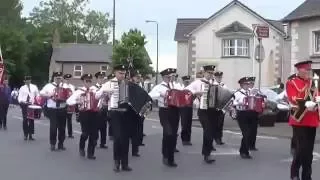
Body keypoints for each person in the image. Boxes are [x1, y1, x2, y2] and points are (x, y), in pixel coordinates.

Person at [286, 60, 319, 180]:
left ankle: (307, 176)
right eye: (306, 70)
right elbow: (293, 98)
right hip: (299, 119)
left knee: (309, 151)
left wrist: (317, 102)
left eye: (309, 70)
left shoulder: (313, 83)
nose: (308, 72)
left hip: (312, 119)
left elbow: (318, 96)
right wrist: (307, 103)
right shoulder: (292, 82)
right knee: (301, 149)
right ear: (299, 70)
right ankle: (294, 172)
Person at [96, 65, 133, 172]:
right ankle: (116, 162)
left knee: (126, 139)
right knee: (117, 138)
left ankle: (125, 163)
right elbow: (97, 96)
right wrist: (105, 92)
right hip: (114, 112)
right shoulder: (108, 84)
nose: (122, 75)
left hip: (126, 113)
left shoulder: (127, 84)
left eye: (124, 73)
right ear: (115, 73)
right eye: (120, 73)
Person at [185, 65, 217, 164]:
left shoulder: (215, 83)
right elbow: (186, 90)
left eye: (212, 73)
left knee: (211, 132)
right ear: (204, 73)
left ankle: (208, 151)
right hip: (203, 110)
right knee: (207, 131)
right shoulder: (198, 82)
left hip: (213, 110)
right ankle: (206, 154)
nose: (210, 75)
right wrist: (196, 92)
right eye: (209, 73)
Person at [149, 68, 180, 167]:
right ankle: (165, 155)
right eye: (168, 77)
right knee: (168, 133)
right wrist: (161, 94)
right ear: (163, 77)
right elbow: (150, 95)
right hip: (164, 111)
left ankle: (171, 158)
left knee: (173, 134)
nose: (170, 78)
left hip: (175, 111)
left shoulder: (176, 85)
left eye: (171, 76)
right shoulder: (159, 87)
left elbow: (183, 93)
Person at [67, 73, 99, 159]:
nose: (88, 82)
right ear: (83, 81)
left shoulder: (95, 90)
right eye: (86, 81)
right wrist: (77, 102)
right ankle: (81, 147)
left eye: (89, 81)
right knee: (85, 133)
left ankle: (90, 153)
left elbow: (100, 98)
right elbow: (69, 101)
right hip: (84, 114)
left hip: (94, 113)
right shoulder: (79, 91)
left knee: (93, 134)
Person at [40, 72, 67, 151]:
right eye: (57, 78)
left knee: (62, 128)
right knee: (53, 127)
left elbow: (70, 95)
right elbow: (41, 93)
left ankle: (61, 143)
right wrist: (49, 95)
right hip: (52, 109)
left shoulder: (65, 86)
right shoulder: (49, 86)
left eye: (60, 78)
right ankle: (52, 143)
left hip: (62, 108)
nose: (59, 79)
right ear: (54, 78)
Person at [233, 77, 254, 159]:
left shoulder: (250, 92)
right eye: (245, 84)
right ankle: (244, 152)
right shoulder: (237, 93)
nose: (247, 85)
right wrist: (241, 103)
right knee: (246, 133)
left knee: (249, 133)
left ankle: (244, 150)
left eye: (248, 84)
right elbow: (233, 102)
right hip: (241, 114)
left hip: (250, 113)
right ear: (241, 85)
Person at [18, 76, 39, 140]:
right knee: (25, 120)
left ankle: (30, 134)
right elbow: (20, 96)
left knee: (31, 120)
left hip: (31, 104)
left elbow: (37, 95)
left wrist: (37, 100)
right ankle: (25, 134)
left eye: (29, 80)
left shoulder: (34, 87)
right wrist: (20, 101)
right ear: (25, 81)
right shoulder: (22, 88)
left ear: (30, 80)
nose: (28, 81)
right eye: (26, 80)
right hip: (24, 104)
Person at [128, 70, 143, 156]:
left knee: (136, 131)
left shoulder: (139, 85)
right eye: (137, 77)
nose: (138, 78)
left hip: (137, 111)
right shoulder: (127, 85)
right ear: (132, 78)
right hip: (129, 110)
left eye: (139, 77)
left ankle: (135, 150)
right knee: (128, 130)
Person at [94, 71, 108, 149]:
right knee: (96, 127)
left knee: (104, 127)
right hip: (96, 109)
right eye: (100, 78)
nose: (101, 79)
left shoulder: (105, 88)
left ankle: (103, 143)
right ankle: (94, 141)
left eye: (102, 78)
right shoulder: (94, 88)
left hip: (104, 108)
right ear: (97, 79)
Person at [213, 71, 227, 145]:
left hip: (221, 108)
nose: (219, 78)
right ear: (215, 77)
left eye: (220, 77)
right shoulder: (212, 85)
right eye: (218, 77)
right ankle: (214, 138)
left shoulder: (223, 85)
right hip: (214, 108)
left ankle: (219, 138)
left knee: (220, 124)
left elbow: (227, 94)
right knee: (214, 124)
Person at [180, 75, 193, 146]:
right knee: (184, 123)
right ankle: (184, 139)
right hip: (183, 107)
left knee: (189, 123)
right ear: (183, 82)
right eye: (186, 82)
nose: (187, 83)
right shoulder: (181, 89)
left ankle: (188, 139)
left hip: (189, 107)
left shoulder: (191, 89)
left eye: (188, 82)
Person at [247, 76, 259, 151]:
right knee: (248, 130)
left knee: (254, 130)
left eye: (253, 83)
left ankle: (252, 145)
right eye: (250, 83)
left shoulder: (257, 91)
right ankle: (247, 144)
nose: (252, 84)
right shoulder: (246, 91)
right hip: (247, 112)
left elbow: (263, 97)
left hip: (255, 112)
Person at [63, 74, 75, 138]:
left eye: (69, 79)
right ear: (64, 79)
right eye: (66, 79)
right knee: (63, 120)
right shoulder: (62, 86)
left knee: (69, 120)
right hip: (64, 104)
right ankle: (63, 133)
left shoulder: (72, 87)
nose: (68, 80)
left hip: (70, 104)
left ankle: (70, 134)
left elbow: (73, 95)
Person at [106, 73, 115, 140]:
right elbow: (105, 98)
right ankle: (111, 134)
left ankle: (114, 134)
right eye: (111, 79)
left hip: (116, 107)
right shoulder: (107, 86)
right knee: (111, 122)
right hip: (109, 107)